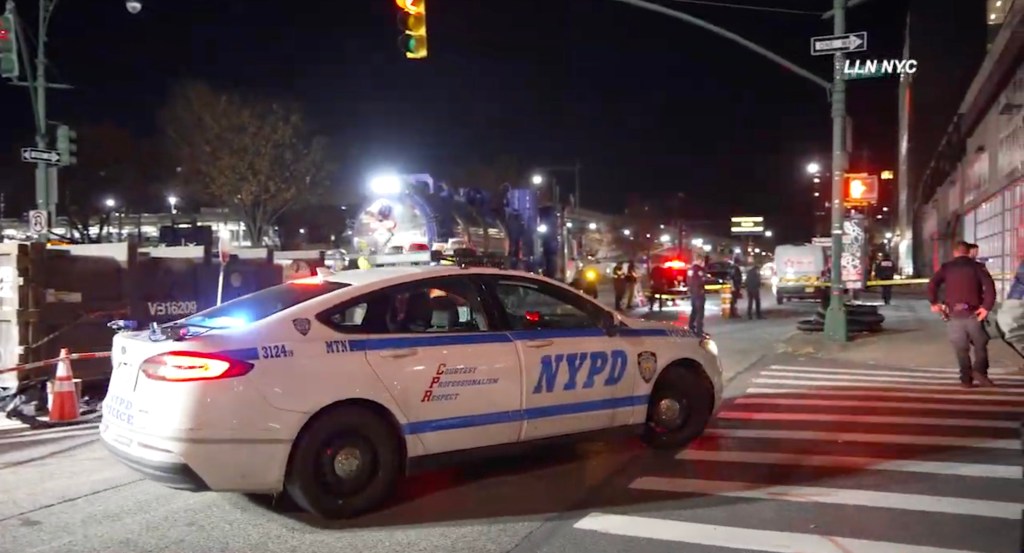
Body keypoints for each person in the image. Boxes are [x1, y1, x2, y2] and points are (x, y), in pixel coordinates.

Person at [928, 240, 997, 387]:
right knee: (980, 344)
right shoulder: (977, 267)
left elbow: (932, 284)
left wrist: (934, 302)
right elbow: (990, 287)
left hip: (954, 314)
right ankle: (980, 371)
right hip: (974, 313)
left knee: (961, 348)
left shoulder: (947, 267)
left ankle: (966, 379)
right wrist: (986, 307)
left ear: (954, 252)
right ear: (968, 251)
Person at [687, 259, 707, 335]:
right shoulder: (700, 270)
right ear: (699, 261)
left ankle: (691, 326)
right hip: (699, 293)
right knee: (700, 312)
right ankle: (699, 331)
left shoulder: (690, 270)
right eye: (703, 262)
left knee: (694, 310)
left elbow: (688, 281)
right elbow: (702, 280)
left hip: (693, 293)